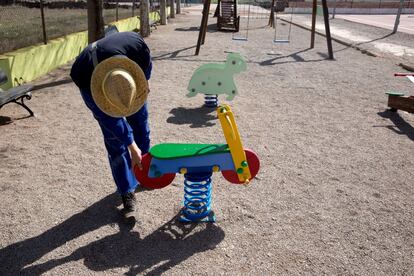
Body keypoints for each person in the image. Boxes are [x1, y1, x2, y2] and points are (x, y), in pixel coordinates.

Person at [70, 31, 152, 224]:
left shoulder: (136, 45)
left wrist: (144, 83)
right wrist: (131, 146)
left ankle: (145, 170)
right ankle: (127, 191)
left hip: (126, 74)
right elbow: (114, 124)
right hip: (88, 77)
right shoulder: (89, 85)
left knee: (140, 122)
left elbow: (147, 66)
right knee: (116, 143)